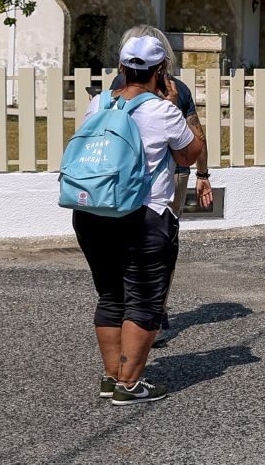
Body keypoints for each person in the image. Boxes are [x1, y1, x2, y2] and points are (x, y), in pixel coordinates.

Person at [74, 35, 204, 405]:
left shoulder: (98, 102)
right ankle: (129, 386)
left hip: (91, 211)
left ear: (121, 68)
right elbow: (188, 155)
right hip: (143, 214)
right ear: (160, 71)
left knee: (111, 295)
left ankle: (111, 377)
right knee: (144, 300)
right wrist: (176, 113)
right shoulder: (162, 110)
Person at [110, 25, 213, 347]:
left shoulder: (113, 89)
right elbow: (197, 138)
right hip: (170, 175)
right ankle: (156, 309)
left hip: (120, 177)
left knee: (123, 244)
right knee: (163, 243)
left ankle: (128, 310)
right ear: (163, 61)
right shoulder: (176, 90)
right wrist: (204, 174)